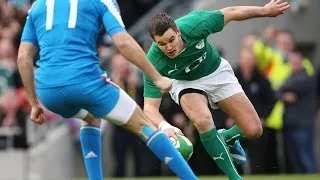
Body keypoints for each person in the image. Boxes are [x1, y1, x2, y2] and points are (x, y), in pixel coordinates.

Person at [16, 0, 197, 180]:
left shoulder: (37, 6)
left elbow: (23, 58)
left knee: (91, 117)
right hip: (85, 83)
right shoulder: (101, 1)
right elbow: (123, 43)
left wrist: (34, 104)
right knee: (145, 125)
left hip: (48, 92)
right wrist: (157, 77)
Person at [143, 0, 290, 179]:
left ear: (178, 31)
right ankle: (235, 177)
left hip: (216, 72)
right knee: (203, 120)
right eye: (161, 44)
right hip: (185, 83)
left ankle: (226, 136)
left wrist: (265, 11)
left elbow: (232, 11)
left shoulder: (195, 24)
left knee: (254, 130)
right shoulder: (153, 62)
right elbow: (149, 108)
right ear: (154, 42)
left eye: (171, 40)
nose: (169, 47)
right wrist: (164, 126)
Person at [279, 48, 317, 173]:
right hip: (289, 125)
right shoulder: (289, 77)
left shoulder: (308, 78)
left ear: (302, 60)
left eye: (296, 60)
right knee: (294, 162)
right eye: (291, 61)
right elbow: (277, 91)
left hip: (303, 125)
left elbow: (288, 87)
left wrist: (282, 90)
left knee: (306, 158)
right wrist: (283, 94)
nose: (293, 63)